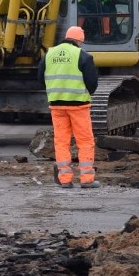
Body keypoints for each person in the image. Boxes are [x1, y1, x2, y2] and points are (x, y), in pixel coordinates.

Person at [37, 26, 100, 188]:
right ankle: (86, 180)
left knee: (61, 142)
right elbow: (92, 82)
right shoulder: (83, 56)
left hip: (57, 106)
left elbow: (40, 78)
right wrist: (85, 93)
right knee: (85, 141)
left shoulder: (49, 54)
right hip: (79, 106)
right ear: (79, 40)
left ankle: (65, 180)